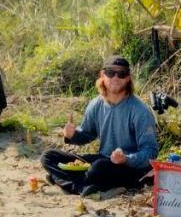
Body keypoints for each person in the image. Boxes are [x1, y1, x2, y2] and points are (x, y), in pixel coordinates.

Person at [40, 56, 158, 198]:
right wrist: (72, 135)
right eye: (110, 72)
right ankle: (81, 186)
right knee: (48, 157)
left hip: (129, 168)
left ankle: (62, 180)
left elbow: (150, 152)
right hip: (103, 159)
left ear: (128, 78)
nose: (115, 77)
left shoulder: (140, 111)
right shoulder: (96, 104)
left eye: (121, 74)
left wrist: (126, 158)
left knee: (98, 168)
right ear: (102, 75)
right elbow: (87, 134)